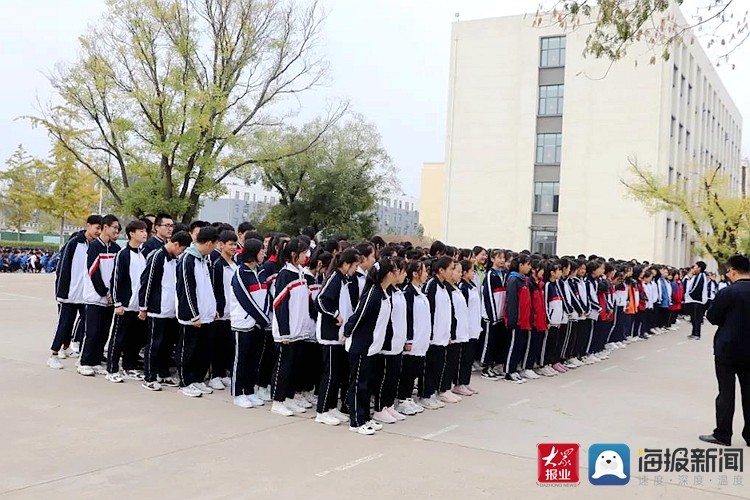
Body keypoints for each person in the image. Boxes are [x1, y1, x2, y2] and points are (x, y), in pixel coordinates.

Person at [343, 257, 404, 436]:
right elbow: (359, 314)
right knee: (358, 385)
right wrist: (347, 331)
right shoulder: (373, 292)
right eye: (394, 270)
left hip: (373, 347)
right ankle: (356, 421)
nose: (397, 273)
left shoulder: (384, 292)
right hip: (361, 346)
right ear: (387, 274)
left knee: (367, 384)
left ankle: (365, 417)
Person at [700, 255, 750, 447]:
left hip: (728, 349)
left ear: (733, 271)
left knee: (726, 393)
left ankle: (723, 433)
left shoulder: (728, 292)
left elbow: (713, 317)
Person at [47, 215, 102, 369]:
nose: (98, 232)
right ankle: (53, 354)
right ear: (88, 225)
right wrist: (61, 293)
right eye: (96, 228)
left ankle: (82, 357)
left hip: (87, 296)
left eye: (100, 229)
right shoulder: (74, 244)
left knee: (87, 327)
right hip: (70, 295)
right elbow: (63, 269)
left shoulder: (96, 246)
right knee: (64, 324)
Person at [140, 231, 192, 391]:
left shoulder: (176, 259)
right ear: (176, 244)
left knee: (167, 345)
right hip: (157, 309)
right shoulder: (157, 256)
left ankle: (163, 374)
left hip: (171, 310)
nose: (181, 253)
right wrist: (143, 306)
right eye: (182, 249)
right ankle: (149, 376)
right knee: (154, 344)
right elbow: (147, 281)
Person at [314, 248, 360, 425]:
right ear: (346, 264)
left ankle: (332, 407)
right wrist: (335, 314)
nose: (356, 269)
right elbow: (320, 300)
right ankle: (322, 410)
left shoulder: (345, 279)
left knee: (338, 374)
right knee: (330, 374)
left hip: (340, 336)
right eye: (355, 265)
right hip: (330, 334)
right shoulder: (334, 278)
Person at [175, 226, 219, 397]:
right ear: (208, 243)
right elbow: (186, 289)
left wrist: (212, 308)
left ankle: (197, 380)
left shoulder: (204, 259)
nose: (215, 248)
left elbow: (207, 287)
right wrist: (193, 314)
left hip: (206, 315)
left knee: (203, 351)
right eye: (215, 244)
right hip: (192, 317)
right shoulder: (187, 259)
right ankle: (185, 382)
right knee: (188, 350)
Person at [270, 237, 311, 417]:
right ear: (294, 254)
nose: (307, 256)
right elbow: (279, 304)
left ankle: (289, 397)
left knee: (296, 367)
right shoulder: (285, 275)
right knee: (283, 368)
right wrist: (285, 332)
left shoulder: (301, 273)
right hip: (287, 333)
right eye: (304, 252)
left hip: (299, 331)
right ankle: (278, 401)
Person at [78, 215, 121, 377]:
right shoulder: (95, 247)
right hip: (94, 297)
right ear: (105, 227)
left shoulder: (116, 249)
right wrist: (104, 292)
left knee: (103, 332)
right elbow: (93, 271)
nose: (116, 231)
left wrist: (113, 294)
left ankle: (95, 361)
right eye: (114, 227)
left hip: (110, 299)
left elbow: (117, 273)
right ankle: (84, 362)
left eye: (118, 228)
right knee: (92, 331)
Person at [229, 238, 270, 409]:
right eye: (261, 251)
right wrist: (262, 318)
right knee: (241, 359)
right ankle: (238, 393)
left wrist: (264, 317)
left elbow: (266, 296)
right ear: (253, 252)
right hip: (243, 323)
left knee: (254, 359)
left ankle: (249, 391)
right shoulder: (240, 273)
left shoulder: (261, 271)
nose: (264, 254)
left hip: (259, 324)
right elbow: (245, 300)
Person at [106, 219, 149, 383]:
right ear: (132, 233)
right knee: (118, 337)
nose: (144, 234)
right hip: (124, 305)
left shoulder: (143, 254)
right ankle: (112, 368)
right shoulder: (123, 254)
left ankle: (129, 367)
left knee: (135, 339)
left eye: (145, 231)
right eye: (141, 231)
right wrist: (117, 303)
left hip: (138, 306)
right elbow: (116, 279)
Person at [209, 230, 239, 391]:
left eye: (235, 244)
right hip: (220, 312)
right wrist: (215, 308)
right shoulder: (217, 265)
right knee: (217, 346)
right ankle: (215, 375)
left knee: (228, 346)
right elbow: (214, 288)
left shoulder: (235, 265)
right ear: (221, 245)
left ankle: (223, 374)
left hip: (232, 313)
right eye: (231, 244)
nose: (234, 247)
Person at [687, 261, 709, 340]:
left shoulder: (700, 276)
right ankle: (694, 333)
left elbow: (696, 288)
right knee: (694, 317)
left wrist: (689, 294)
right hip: (694, 300)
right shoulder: (697, 276)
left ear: (699, 268)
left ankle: (696, 334)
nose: (694, 268)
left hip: (697, 300)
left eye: (695, 266)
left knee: (696, 318)